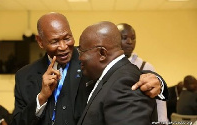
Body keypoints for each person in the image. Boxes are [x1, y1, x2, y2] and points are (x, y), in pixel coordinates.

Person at [11, 12, 168, 125]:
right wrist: (41, 98)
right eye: (55, 41)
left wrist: (157, 80)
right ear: (40, 42)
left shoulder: (89, 59)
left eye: (67, 38)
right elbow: (17, 121)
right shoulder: (24, 76)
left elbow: (121, 70)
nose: (63, 47)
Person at [77, 21, 158, 125]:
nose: (79, 58)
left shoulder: (124, 83)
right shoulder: (111, 76)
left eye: (82, 52)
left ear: (102, 53)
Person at [116, 23, 168, 123]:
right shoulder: (107, 66)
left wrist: (162, 121)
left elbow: (159, 99)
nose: (129, 42)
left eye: (133, 38)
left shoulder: (146, 66)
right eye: (124, 38)